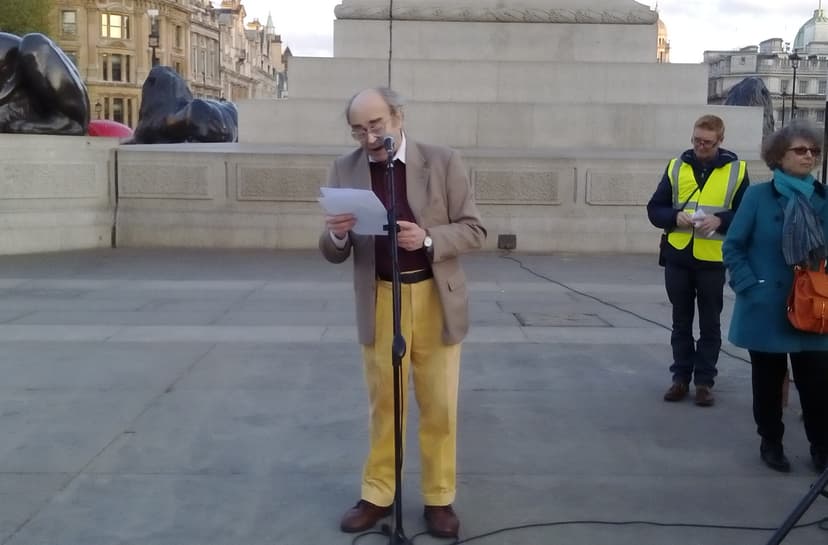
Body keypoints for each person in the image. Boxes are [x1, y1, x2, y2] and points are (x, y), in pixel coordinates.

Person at [319, 87, 486, 538]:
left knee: (439, 405)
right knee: (384, 404)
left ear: (397, 117)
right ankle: (378, 493)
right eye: (358, 129)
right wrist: (335, 236)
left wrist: (428, 239)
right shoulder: (344, 168)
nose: (368, 137)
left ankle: (438, 498)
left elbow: (474, 230)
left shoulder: (443, 160)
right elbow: (334, 250)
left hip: (433, 295)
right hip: (379, 296)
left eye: (375, 126)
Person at [722, 121, 828, 474]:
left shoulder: (823, 199)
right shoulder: (758, 196)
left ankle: (821, 446)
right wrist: (748, 285)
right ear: (779, 156)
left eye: (813, 150)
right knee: (767, 382)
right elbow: (733, 246)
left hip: (814, 306)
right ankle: (771, 441)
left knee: (817, 385)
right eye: (800, 150)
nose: (809, 156)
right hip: (766, 304)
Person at [647, 115, 749, 406]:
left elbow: (745, 214)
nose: (700, 146)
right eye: (696, 140)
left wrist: (720, 219)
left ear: (720, 141)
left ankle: (704, 382)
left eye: (707, 142)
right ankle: (680, 378)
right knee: (681, 321)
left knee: (710, 323)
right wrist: (673, 216)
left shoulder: (737, 170)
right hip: (678, 254)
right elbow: (655, 208)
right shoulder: (676, 166)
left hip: (713, 258)